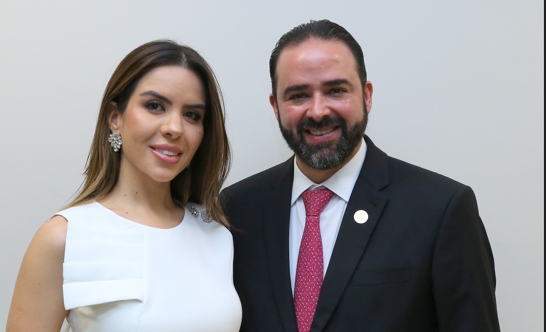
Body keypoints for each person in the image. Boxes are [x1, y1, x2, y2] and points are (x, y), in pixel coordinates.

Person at [222, 20, 501, 332]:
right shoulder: (236, 209)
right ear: (276, 106)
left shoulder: (442, 209)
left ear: (366, 96)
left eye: (336, 90)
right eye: (298, 95)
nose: (317, 111)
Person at [7, 40, 242, 331]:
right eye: (155, 106)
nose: (175, 128)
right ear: (115, 118)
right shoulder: (63, 237)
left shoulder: (217, 233)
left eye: (191, 114)